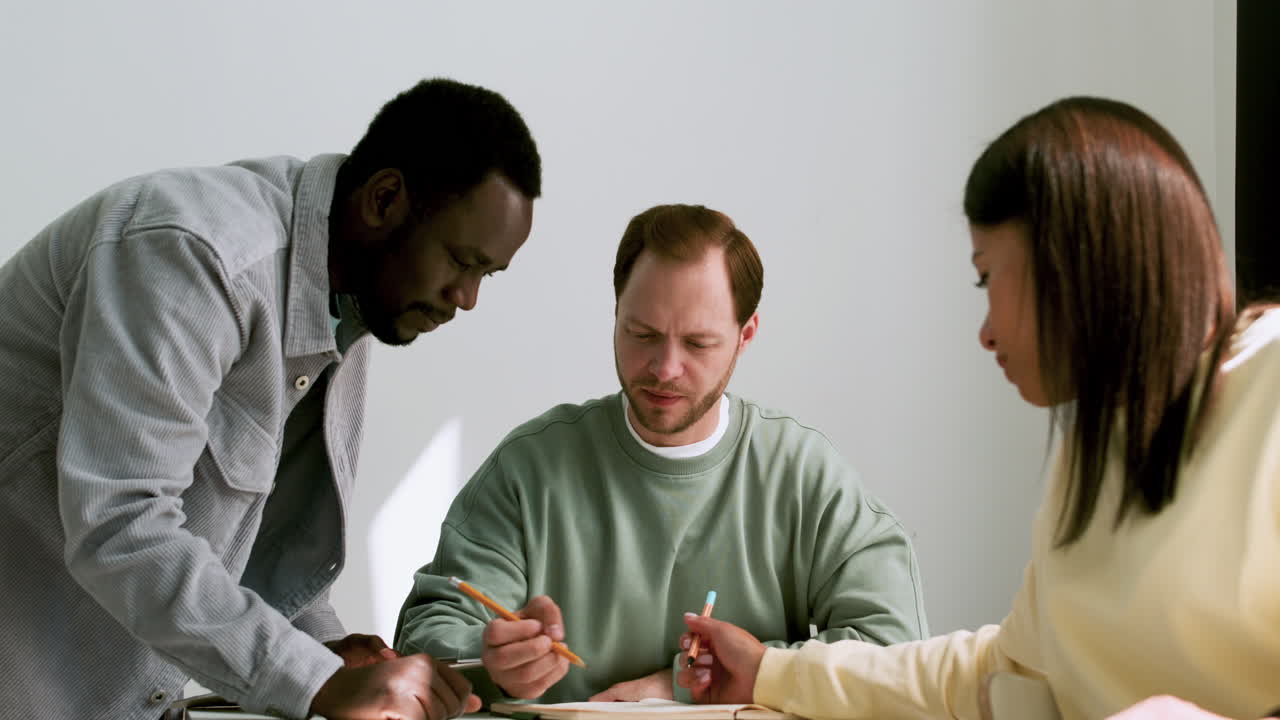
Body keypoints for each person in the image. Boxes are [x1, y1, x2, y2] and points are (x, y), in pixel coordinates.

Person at [674, 97, 1280, 720]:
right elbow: (998, 673)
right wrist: (770, 673)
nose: (986, 333)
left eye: (986, 278)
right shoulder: (1094, 454)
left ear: (1075, 265)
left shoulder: (1269, 385)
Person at [0, 77, 541, 720]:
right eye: (461, 260)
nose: (467, 297)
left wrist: (326, 652)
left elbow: (243, 547)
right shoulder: (196, 252)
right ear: (384, 199)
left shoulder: (351, 300)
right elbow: (121, 522)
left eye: (487, 275)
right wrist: (317, 681)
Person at [394, 204, 929, 704]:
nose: (665, 368)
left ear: (745, 336)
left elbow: (895, 649)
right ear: (616, 315)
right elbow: (424, 637)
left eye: (698, 343)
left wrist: (705, 681)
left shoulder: (802, 474)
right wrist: (491, 656)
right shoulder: (531, 468)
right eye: (642, 334)